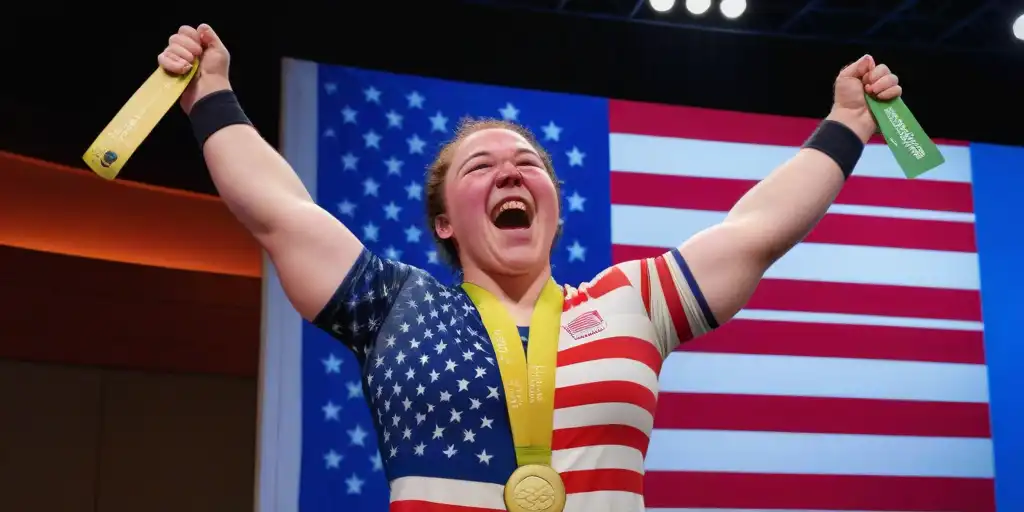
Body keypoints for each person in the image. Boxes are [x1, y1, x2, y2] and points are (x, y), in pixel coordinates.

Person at [159, 23, 903, 512]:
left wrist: (844, 126)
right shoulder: (391, 304)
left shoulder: (632, 300)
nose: (512, 174)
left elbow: (757, 230)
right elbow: (278, 210)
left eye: (530, 165)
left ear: (554, 206)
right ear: (445, 220)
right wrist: (211, 95)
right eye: (482, 166)